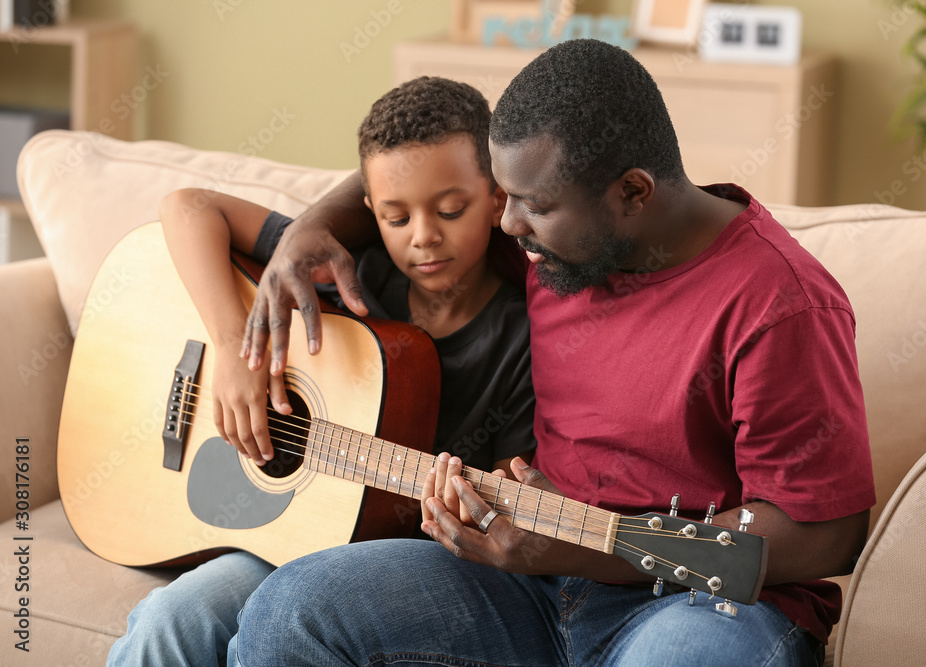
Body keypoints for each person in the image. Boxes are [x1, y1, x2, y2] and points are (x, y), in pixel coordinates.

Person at [232, 39, 876, 666]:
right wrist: (307, 230)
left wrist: (580, 547)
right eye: (504, 195)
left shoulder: (780, 306)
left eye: (532, 205)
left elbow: (825, 535)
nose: (506, 223)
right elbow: (420, 179)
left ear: (632, 192)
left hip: (697, 606)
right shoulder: (560, 241)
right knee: (290, 612)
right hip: (532, 587)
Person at [105, 76, 536, 667]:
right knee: (167, 621)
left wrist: (464, 506)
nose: (424, 236)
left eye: (451, 209)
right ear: (369, 214)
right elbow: (188, 207)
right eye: (395, 216)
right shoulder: (342, 271)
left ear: (495, 199)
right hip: (279, 535)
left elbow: (509, 493)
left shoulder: (525, 337)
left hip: (379, 560)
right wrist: (235, 349)